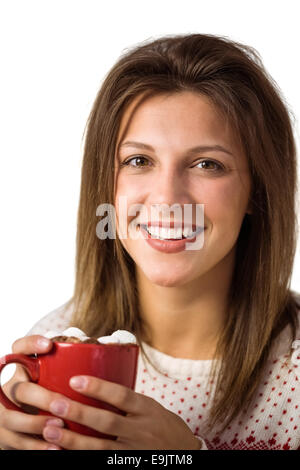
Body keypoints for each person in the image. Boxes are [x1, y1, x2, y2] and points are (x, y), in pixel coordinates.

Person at [0, 33, 299, 451]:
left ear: (257, 191)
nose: (167, 199)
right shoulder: (53, 340)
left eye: (207, 164)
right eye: (139, 161)